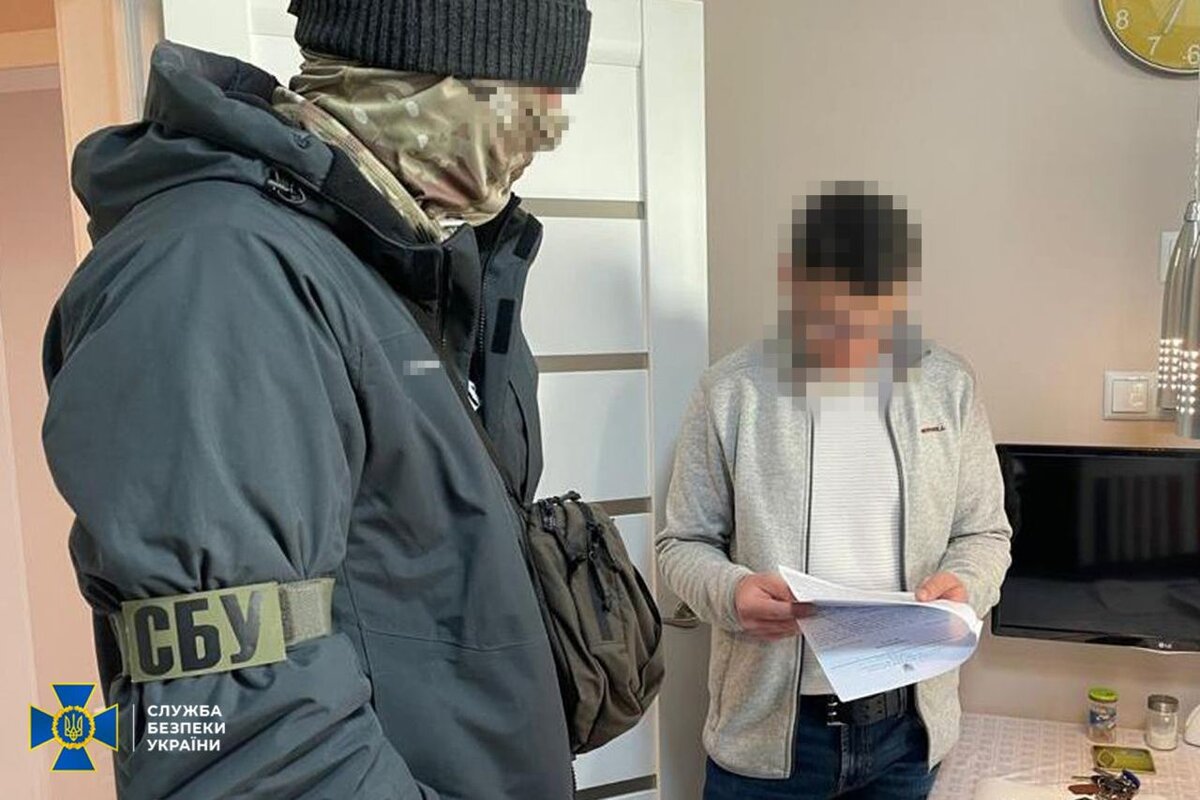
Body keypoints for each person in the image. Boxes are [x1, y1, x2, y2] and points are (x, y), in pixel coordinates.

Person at [41, 1, 591, 798]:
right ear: (418, 75)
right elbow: (241, 739)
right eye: (524, 101)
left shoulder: (394, 258)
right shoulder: (217, 274)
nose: (545, 137)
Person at [656, 183, 1012, 800]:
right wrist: (732, 593)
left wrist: (966, 585)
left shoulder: (948, 386)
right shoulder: (731, 392)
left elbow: (984, 532)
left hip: (906, 734)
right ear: (793, 286)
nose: (852, 338)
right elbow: (681, 544)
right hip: (770, 742)